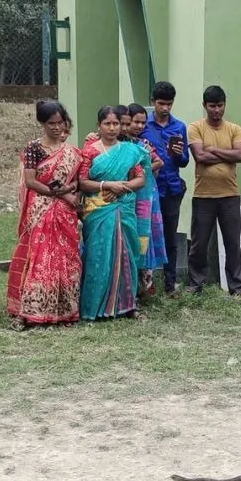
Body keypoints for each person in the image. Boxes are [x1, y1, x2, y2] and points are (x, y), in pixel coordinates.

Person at [6, 100, 83, 326]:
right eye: (51, 123)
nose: (57, 127)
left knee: (66, 256)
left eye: (60, 122)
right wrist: (58, 193)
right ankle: (33, 309)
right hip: (41, 207)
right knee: (40, 256)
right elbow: (31, 181)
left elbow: (76, 181)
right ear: (42, 123)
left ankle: (64, 310)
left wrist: (68, 192)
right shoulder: (34, 148)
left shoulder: (72, 152)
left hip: (65, 211)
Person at [79, 105, 148, 321]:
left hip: (123, 206)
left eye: (115, 123)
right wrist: (107, 185)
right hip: (98, 209)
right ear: (98, 126)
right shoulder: (90, 150)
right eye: (107, 123)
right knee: (98, 255)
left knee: (127, 253)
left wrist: (121, 187)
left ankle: (127, 305)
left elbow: (140, 178)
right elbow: (82, 181)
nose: (111, 128)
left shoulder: (129, 150)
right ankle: (94, 307)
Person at [186, 85, 241, 296]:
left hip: (230, 195)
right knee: (199, 243)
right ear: (205, 106)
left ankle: (237, 287)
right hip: (203, 195)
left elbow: (240, 155)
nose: (217, 110)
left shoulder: (234, 129)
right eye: (212, 106)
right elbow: (200, 157)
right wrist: (227, 154)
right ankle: (195, 285)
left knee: (233, 243)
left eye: (220, 105)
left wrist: (213, 150)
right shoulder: (196, 127)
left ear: (224, 105)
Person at [141, 81, 192, 297]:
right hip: (148, 190)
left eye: (169, 104)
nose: (165, 108)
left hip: (171, 189)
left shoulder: (179, 127)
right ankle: (146, 285)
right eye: (161, 103)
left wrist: (178, 154)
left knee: (170, 238)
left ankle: (171, 285)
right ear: (153, 102)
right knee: (146, 236)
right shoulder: (143, 125)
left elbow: (185, 161)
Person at [127, 102, 168, 301]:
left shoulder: (143, 144)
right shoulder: (120, 144)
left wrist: (143, 171)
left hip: (145, 196)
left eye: (143, 123)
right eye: (136, 122)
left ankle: (143, 288)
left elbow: (159, 161)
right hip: (128, 196)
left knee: (144, 235)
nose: (140, 126)